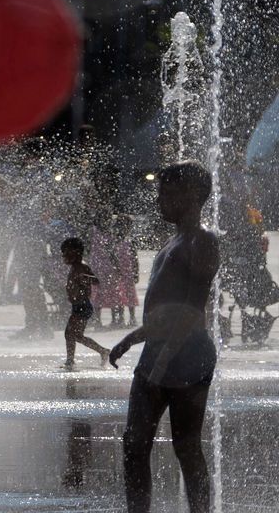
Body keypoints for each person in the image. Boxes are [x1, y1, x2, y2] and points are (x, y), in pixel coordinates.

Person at [109, 161, 219, 513]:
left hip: (187, 354)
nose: (160, 199)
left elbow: (190, 311)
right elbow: (167, 311)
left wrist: (163, 362)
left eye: (168, 192)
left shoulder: (202, 242)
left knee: (186, 445)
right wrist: (133, 339)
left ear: (192, 196)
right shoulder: (173, 241)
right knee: (134, 443)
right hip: (159, 350)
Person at [60, 237, 110, 370]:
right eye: (63, 252)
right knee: (74, 335)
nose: (64, 255)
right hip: (78, 305)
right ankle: (101, 351)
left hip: (83, 306)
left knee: (71, 334)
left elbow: (96, 281)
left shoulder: (82, 267)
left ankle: (71, 360)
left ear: (77, 253)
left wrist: (85, 278)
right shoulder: (75, 267)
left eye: (66, 252)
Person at [91, 215, 140, 328]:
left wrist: (135, 272)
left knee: (127, 296)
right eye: (121, 226)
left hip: (126, 274)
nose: (124, 229)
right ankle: (118, 319)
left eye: (127, 227)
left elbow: (134, 258)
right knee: (118, 296)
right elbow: (112, 256)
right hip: (118, 274)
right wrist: (116, 268)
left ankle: (130, 318)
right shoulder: (112, 241)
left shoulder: (128, 241)